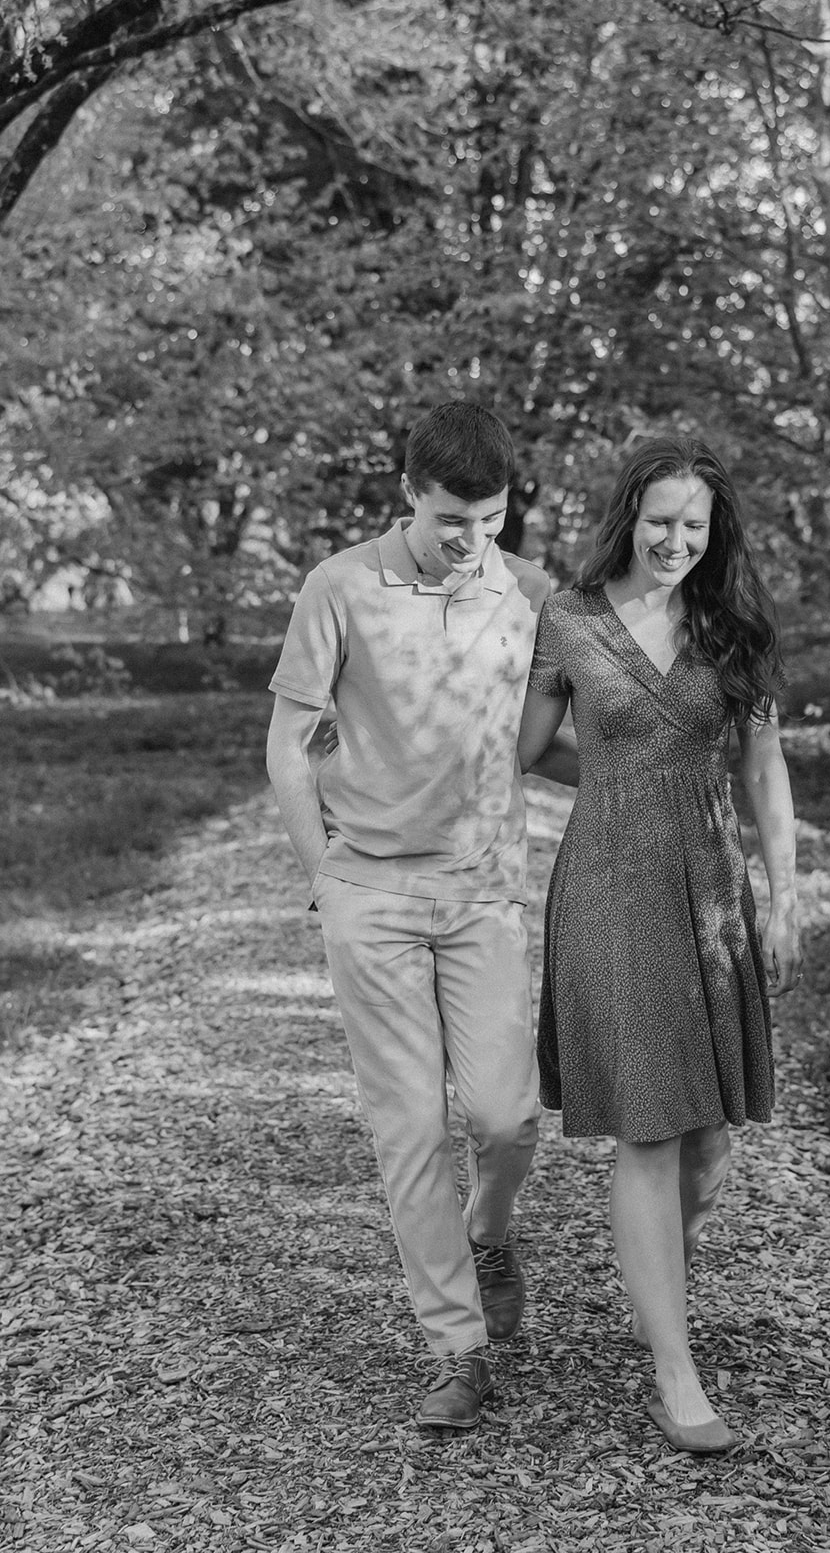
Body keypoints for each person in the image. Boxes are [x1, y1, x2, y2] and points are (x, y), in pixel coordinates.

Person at [266, 401, 553, 1431]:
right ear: (406, 495)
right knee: (410, 1128)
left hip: (480, 894)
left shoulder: (527, 593)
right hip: (372, 897)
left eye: (484, 518)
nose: (466, 539)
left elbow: (565, 721)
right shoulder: (339, 587)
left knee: (503, 1115)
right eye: (446, 518)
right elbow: (287, 745)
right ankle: (456, 1347)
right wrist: (325, 877)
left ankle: (491, 1226)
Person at [517, 436, 802, 1455]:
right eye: (660, 520)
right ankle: (673, 1373)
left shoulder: (731, 626)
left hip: (711, 889)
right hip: (605, 886)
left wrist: (782, 897)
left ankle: (656, 1276)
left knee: (709, 1137)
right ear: (625, 516)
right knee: (649, 1127)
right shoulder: (569, 617)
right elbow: (526, 745)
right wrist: (609, 777)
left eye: (695, 524)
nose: (677, 540)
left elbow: (764, 766)